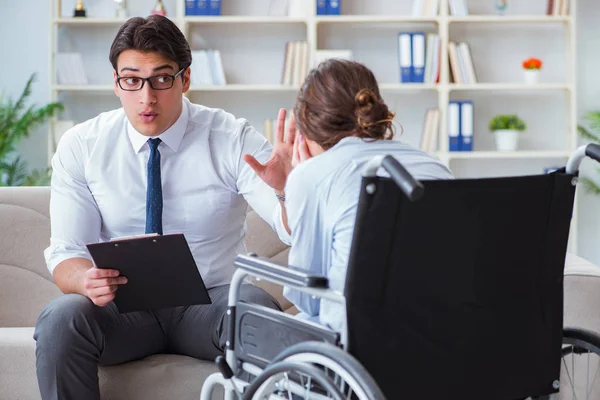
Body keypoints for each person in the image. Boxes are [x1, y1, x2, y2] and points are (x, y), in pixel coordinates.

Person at [33, 15, 293, 400]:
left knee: (258, 313)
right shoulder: (82, 145)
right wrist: (85, 280)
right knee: (60, 320)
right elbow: (67, 254)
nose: (146, 97)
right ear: (116, 82)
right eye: (132, 80)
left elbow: (287, 225)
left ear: (185, 80)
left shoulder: (230, 137)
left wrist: (289, 191)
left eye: (161, 78)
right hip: (123, 310)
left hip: (210, 303)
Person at [279, 59, 455, 334]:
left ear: (305, 120)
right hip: (439, 335)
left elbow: (309, 299)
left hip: (357, 345)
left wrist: (300, 179)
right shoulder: (435, 166)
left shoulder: (311, 176)